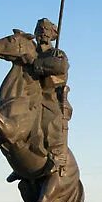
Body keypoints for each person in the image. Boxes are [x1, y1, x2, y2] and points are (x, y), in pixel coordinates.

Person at [32, 18, 72, 175]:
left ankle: (57, 156)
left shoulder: (56, 53)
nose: (43, 32)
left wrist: (38, 65)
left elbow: (61, 68)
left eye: (46, 30)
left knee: (52, 120)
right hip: (28, 93)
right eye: (40, 29)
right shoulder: (30, 50)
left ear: (52, 35)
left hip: (47, 95)